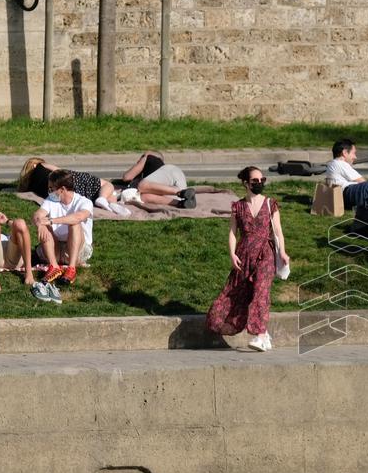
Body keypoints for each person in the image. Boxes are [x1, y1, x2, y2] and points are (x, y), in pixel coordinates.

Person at [207, 167, 290, 352]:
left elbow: (278, 232)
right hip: (244, 255)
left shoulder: (271, 204)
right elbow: (232, 232)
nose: (259, 183)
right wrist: (232, 254)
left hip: (266, 253)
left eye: (262, 180)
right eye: (255, 181)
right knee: (237, 295)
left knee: (261, 291)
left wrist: (283, 253)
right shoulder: (238, 206)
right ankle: (265, 333)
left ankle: (260, 335)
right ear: (246, 183)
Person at [32, 169, 95, 286]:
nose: (49, 191)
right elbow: (37, 215)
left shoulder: (84, 202)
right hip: (54, 249)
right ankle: (54, 266)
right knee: (44, 226)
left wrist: (51, 221)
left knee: (74, 224)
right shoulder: (50, 200)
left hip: (77, 251)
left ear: (62, 190)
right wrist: (40, 224)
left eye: (51, 188)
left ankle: (71, 268)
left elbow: (78, 217)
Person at [0, 197, 45, 299]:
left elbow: (20, 228)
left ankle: (29, 273)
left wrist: (7, 221)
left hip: (11, 256)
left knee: (19, 222)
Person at [19, 157, 131, 216]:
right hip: (70, 181)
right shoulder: (40, 166)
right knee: (108, 184)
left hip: (68, 190)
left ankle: (111, 203)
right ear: (34, 164)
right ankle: (108, 201)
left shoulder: (32, 185)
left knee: (108, 193)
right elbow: (59, 171)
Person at [120, 151, 197, 208]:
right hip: (173, 187)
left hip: (172, 176)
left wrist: (144, 158)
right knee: (144, 197)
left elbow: (127, 177)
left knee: (142, 186)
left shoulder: (150, 158)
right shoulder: (154, 175)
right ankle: (182, 203)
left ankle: (181, 192)